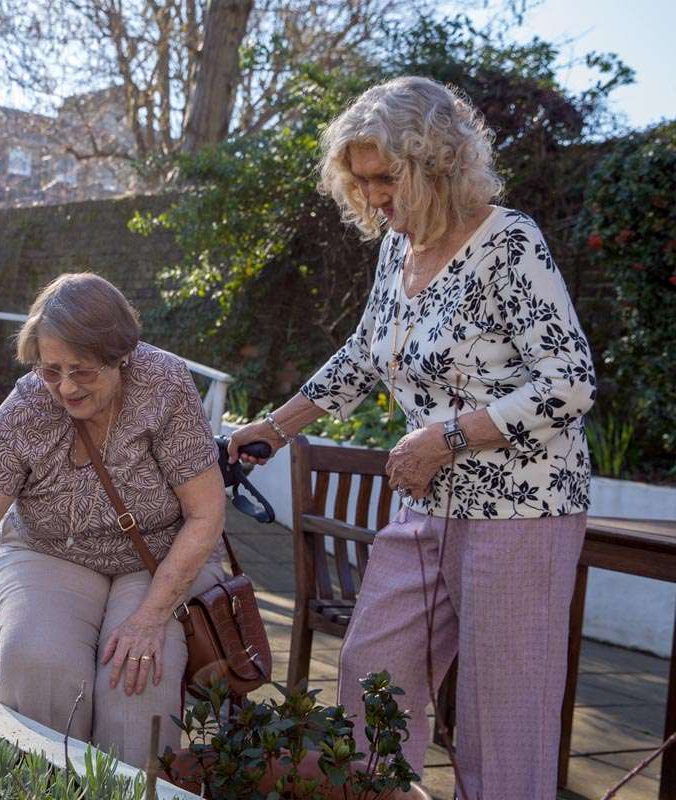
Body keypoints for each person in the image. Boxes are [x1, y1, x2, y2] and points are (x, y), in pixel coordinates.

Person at [228, 76, 596, 798]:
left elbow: (569, 382)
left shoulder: (510, 243)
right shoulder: (396, 252)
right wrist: (272, 428)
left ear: (438, 165)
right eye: (358, 181)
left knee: (503, 719)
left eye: (385, 177)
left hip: (522, 513)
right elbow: (365, 354)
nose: (371, 197)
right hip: (425, 506)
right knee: (373, 674)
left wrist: (447, 439)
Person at [0, 272, 227, 768]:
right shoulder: (27, 408)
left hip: (159, 554)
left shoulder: (162, 384)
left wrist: (149, 618)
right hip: (48, 549)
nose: (65, 387)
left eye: (81, 370)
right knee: (41, 669)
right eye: (51, 369)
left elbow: (206, 513)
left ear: (120, 354)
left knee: (137, 686)